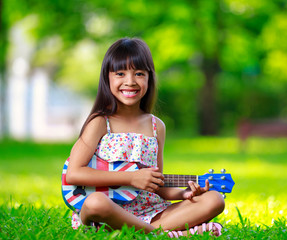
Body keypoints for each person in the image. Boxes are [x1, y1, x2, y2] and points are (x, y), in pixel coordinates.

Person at [65, 37, 225, 237]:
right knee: (95, 202)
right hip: (106, 213)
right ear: (107, 78)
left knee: (215, 199)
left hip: (150, 213)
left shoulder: (156, 127)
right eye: (120, 73)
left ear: (150, 78)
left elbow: (157, 187)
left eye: (139, 73)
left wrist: (185, 193)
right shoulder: (100, 122)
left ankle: (151, 231)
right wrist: (131, 177)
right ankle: (162, 234)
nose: (130, 82)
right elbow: (73, 174)